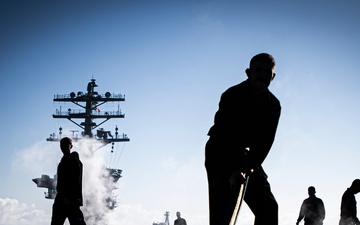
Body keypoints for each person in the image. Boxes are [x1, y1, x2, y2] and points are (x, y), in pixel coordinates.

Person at [205, 53, 281, 225]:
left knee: (268, 207)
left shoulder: (273, 105)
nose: (262, 75)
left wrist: (247, 168)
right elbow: (225, 135)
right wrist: (233, 169)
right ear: (248, 73)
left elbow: (265, 143)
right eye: (258, 70)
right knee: (223, 211)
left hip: (248, 158)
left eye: (267, 72)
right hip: (219, 152)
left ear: (273, 76)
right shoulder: (231, 96)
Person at [51, 137, 86, 225]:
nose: (64, 147)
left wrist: (69, 198)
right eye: (62, 145)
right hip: (65, 199)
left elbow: (75, 180)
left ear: (71, 146)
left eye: (66, 145)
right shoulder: (63, 162)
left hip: (69, 200)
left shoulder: (74, 161)